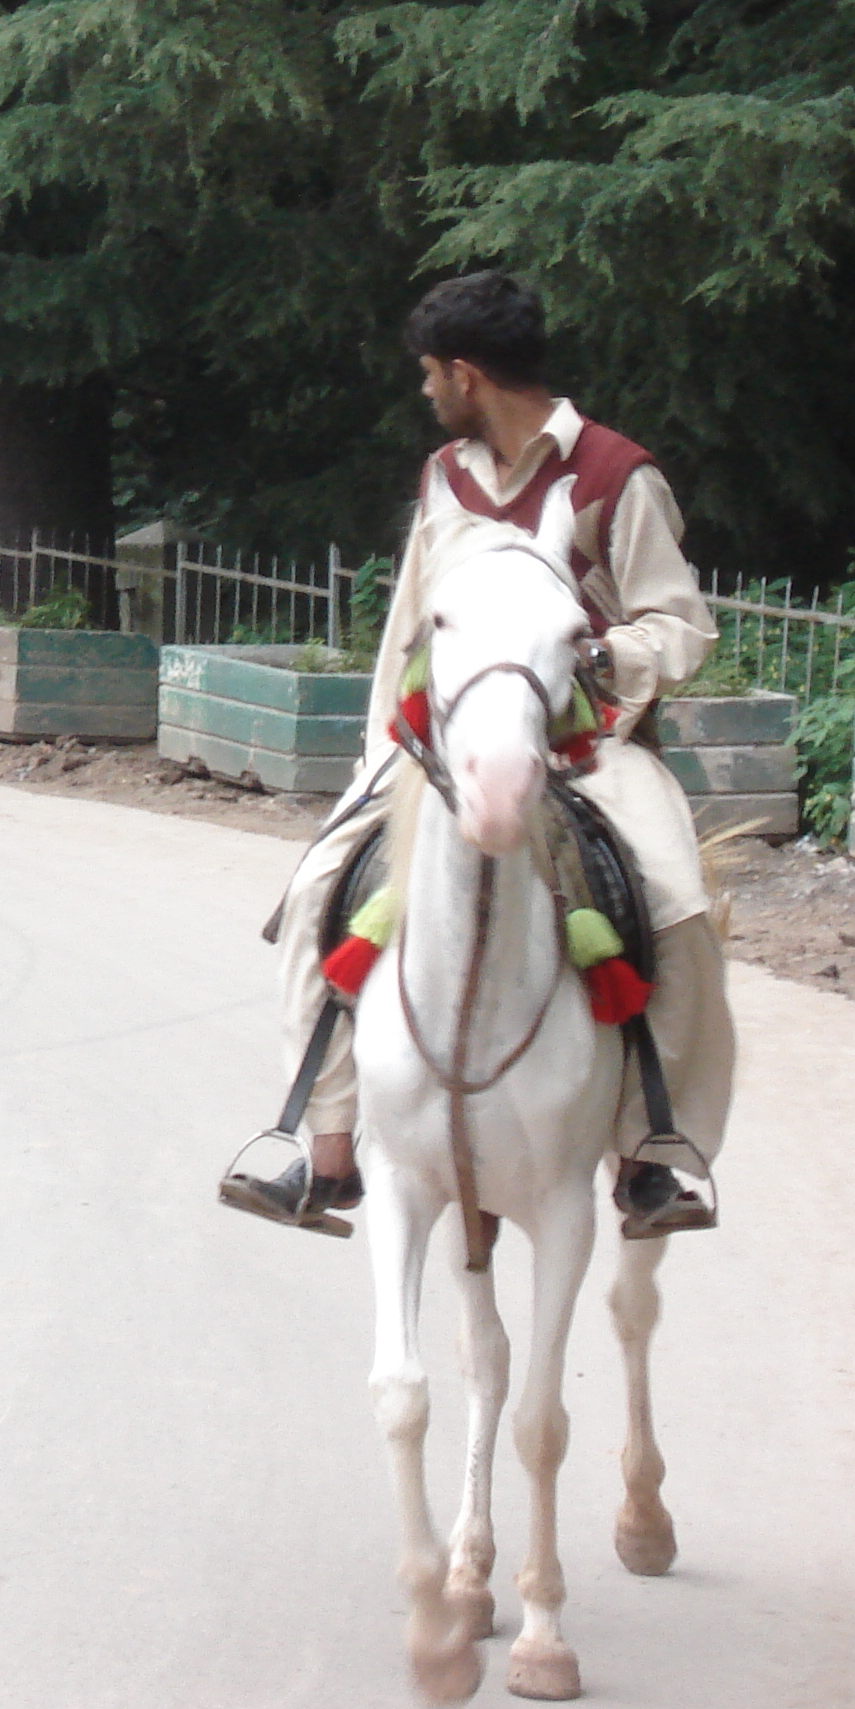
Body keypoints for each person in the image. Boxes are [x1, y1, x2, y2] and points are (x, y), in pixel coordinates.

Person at [219, 271, 732, 1241]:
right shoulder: (442, 481)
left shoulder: (616, 477)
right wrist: (382, 758)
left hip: (584, 746)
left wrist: (600, 655)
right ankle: (320, 1145)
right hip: (442, 751)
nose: (423, 393)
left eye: (427, 375)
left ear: (463, 373)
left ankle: (654, 1150)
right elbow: (407, 629)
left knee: (676, 909)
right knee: (313, 893)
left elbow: (680, 625)